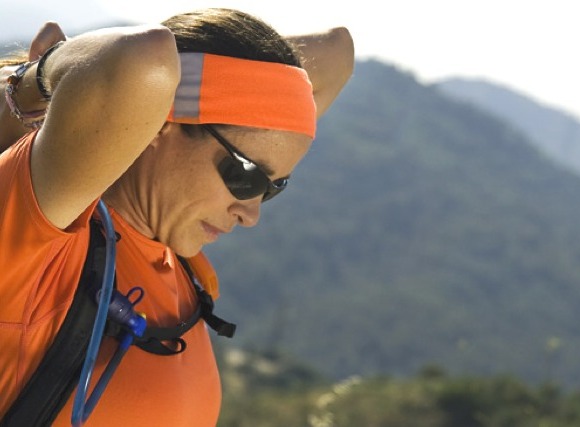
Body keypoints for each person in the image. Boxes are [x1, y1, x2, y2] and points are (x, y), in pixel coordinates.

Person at [0, 8, 354, 427]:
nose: (251, 213)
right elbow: (143, 57)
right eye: (245, 177)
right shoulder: (45, 236)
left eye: (274, 187)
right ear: (160, 124)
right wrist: (30, 84)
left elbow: (337, 50)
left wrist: (212, 79)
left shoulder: (171, 247)